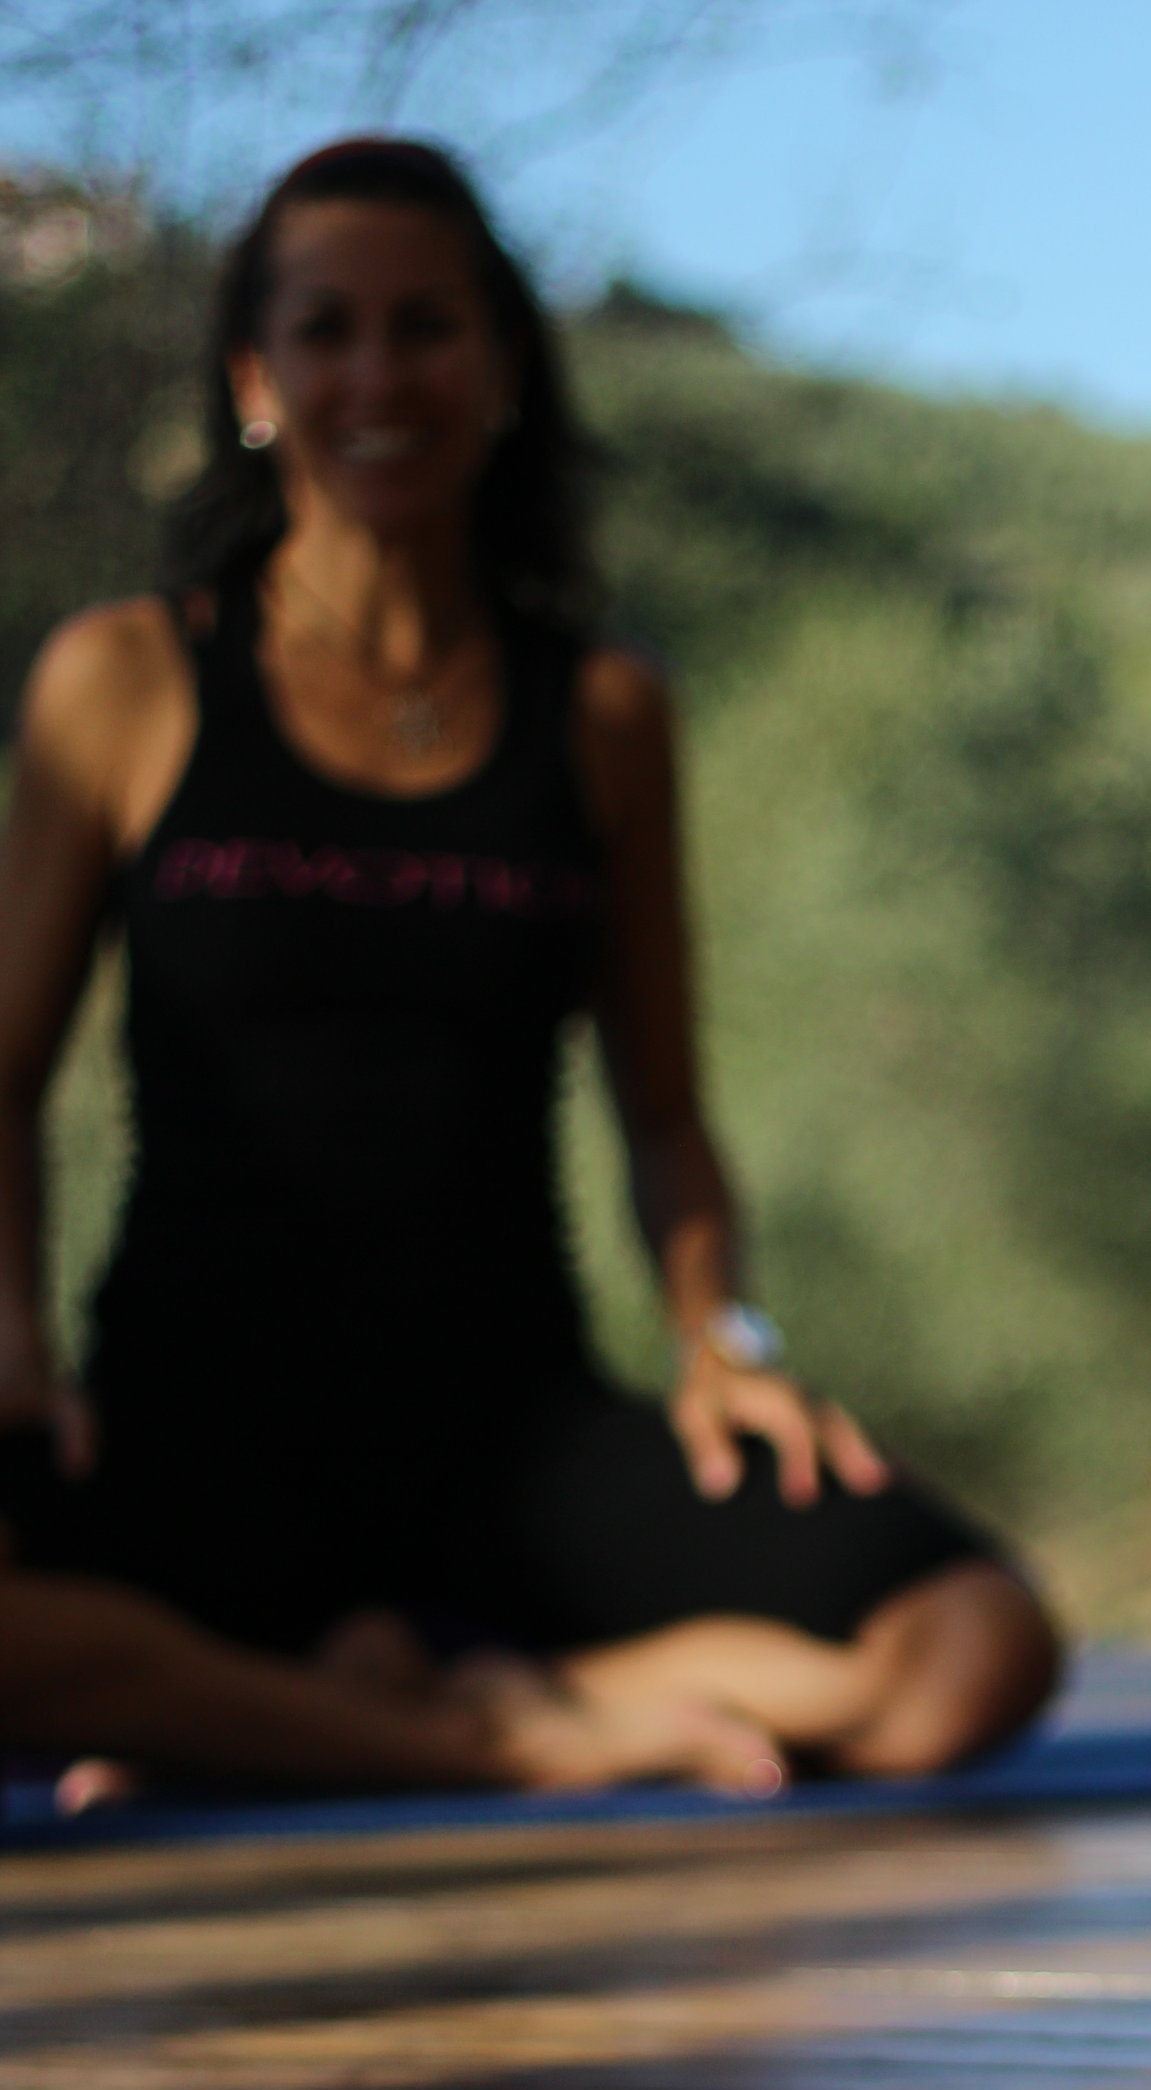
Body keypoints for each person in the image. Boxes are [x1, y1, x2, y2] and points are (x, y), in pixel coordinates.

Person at [0, 134, 1062, 1804]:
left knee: (977, 1645)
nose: (376, 373)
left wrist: (726, 1337)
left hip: (512, 1441)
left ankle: (278, 1714)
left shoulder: (605, 713)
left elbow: (665, 1122)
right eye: (325, 329)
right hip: (186, 1436)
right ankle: (469, 1730)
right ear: (253, 378)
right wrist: (9, 1329)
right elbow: (1, 1080)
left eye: (426, 327)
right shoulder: (124, 681)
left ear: (500, 368)